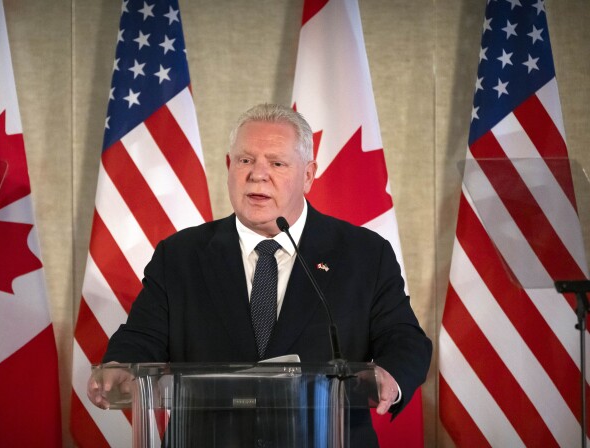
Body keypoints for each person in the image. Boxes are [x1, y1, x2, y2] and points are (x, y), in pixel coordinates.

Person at [87, 103, 432, 445]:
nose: (257, 174)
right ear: (229, 165)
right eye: (245, 160)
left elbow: (404, 339)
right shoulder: (180, 255)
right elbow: (143, 337)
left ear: (308, 175)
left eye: (277, 163)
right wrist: (120, 364)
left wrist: (390, 374)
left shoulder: (363, 254)